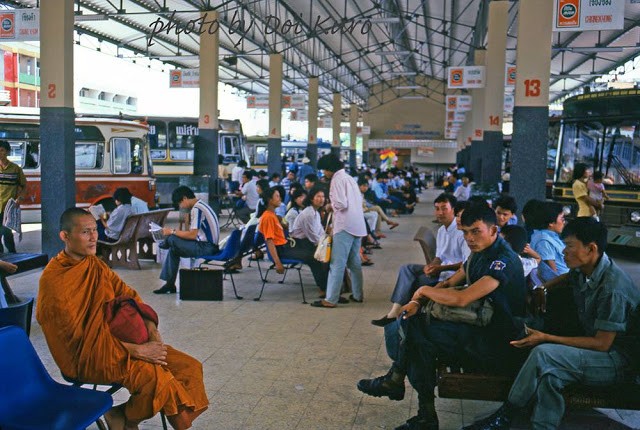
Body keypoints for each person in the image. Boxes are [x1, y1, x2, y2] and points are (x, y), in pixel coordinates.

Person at [357, 204, 527, 430]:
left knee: (419, 338)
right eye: (465, 232)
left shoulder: (502, 259)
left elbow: (463, 298)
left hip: (497, 340)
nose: (469, 238)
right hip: (477, 326)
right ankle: (406, 392)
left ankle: (406, 390)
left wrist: (423, 291)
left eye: (476, 231)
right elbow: (449, 282)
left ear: (494, 230)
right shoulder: (478, 254)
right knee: (416, 326)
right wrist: (417, 301)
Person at [36, 207, 209, 429]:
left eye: (94, 230)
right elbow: (77, 343)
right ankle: (131, 417)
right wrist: (136, 350)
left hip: (120, 342)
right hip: (87, 357)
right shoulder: (55, 281)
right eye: (85, 232)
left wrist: (152, 334)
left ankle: (122, 415)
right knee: (157, 380)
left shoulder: (93, 264)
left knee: (189, 367)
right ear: (65, 236)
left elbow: (130, 297)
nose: (93, 237)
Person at [463, 217, 640, 430]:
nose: (564, 252)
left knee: (544, 353)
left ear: (591, 248)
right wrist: (543, 288)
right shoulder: (589, 267)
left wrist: (546, 338)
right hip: (598, 352)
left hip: (616, 361)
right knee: (551, 375)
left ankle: (506, 415)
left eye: (569, 246)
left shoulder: (613, 288)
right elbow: (568, 277)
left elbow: (602, 344)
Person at [370, 193, 470, 327]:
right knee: (407, 269)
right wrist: (432, 265)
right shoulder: (441, 230)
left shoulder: (461, 232)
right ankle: (394, 312)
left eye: (444, 208)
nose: (440, 212)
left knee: (414, 281)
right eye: (437, 208)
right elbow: (439, 256)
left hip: (451, 277)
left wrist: (440, 268)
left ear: (453, 210)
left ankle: (401, 316)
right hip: (440, 271)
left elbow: (466, 264)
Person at [311, 154, 366, 308]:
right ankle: (357, 295)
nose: (324, 173)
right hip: (357, 225)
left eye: (324, 170)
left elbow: (341, 203)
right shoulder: (349, 178)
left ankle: (331, 299)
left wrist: (330, 206)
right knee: (354, 263)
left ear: (330, 169)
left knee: (337, 263)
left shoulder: (337, 180)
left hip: (345, 226)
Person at [259, 187, 327, 291]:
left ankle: (326, 285)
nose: (280, 198)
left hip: (286, 246)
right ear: (269, 200)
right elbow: (269, 241)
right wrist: (277, 262)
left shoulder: (273, 215)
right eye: (277, 196)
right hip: (281, 250)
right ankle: (324, 288)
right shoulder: (268, 217)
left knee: (315, 253)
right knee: (313, 257)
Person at [155, 186, 219, 294]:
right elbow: (193, 233)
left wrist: (172, 231)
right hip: (208, 245)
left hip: (207, 247)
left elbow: (192, 235)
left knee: (172, 238)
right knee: (173, 249)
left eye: (180, 203)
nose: (181, 207)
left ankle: (164, 243)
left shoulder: (196, 209)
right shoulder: (202, 205)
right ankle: (170, 285)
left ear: (184, 198)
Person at [530, 202, 569, 280]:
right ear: (551, 223)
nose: (564, 222)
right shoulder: (544, 241)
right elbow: (552, 273)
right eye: (562, 219)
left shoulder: (553, 236)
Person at [0, 140, 26, 253]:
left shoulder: (16, 169)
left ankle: (13, 255)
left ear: (7, 152)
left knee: (6, 232)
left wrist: (19, 198)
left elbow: (24, 185)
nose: (0, 153)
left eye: (2, 150)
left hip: (9, 207)